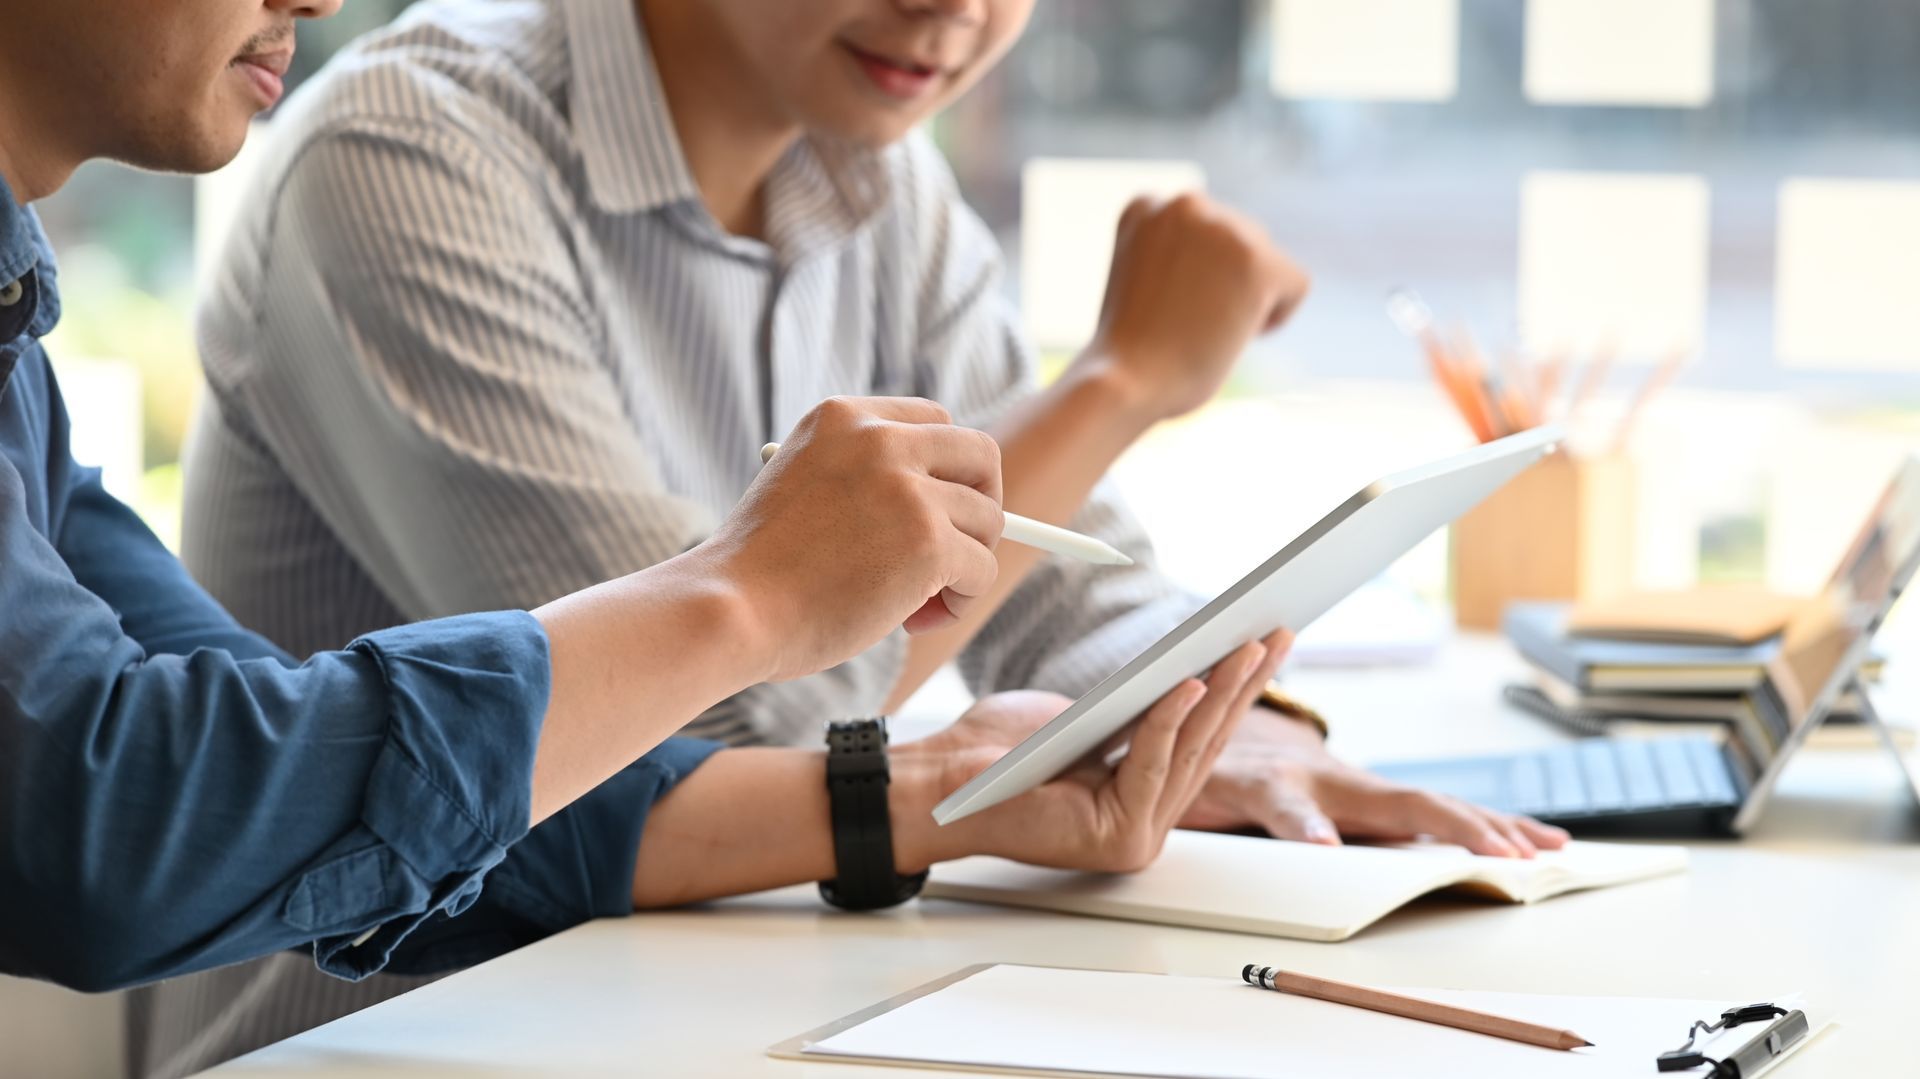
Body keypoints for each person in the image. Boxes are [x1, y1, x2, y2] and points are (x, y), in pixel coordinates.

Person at [156, 0, 1570, 1070]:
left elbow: (1087, 592)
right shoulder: (408, 151)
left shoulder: (882, 188)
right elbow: (729, 720)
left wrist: (1247, 731)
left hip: (730, 1000)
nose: (954, 9)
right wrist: (1117, 381)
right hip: (400, 1031)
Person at [0, 0, 1253, 1019]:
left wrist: (960, 785)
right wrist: (1112, 385)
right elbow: (116, 819)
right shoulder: (406, 143)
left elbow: (328, 751)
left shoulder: (18, 346)